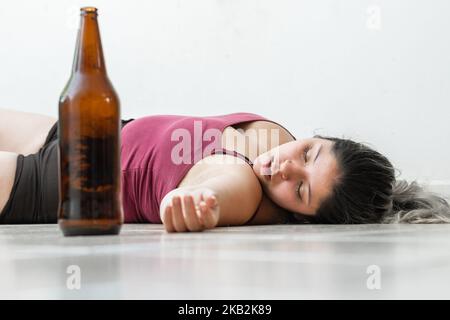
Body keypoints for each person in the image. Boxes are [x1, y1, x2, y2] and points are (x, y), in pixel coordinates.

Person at [0, 108, 449, 232]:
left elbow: (218, 190)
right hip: (82, 128)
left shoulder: (247, 192)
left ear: (302, 217)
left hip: (56, 183)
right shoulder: (273, 134)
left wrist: (199, 204)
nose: (284, 169)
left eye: (300, 191)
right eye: (309, 154)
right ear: (319, 137)